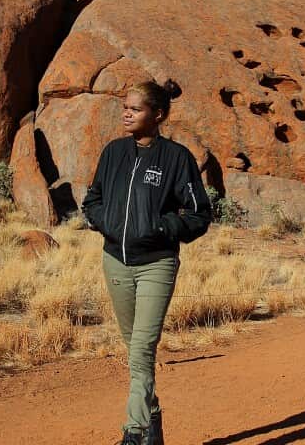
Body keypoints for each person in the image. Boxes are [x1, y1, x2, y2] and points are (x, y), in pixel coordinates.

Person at [82, 80, 213, 445]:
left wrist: (161, 227)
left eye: (135, 109)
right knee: (134, 349)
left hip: (157, 263)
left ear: (157, 114)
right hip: (115, 262)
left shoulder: (176, 158)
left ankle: (135, 432)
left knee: (141, 348)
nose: (127, 114)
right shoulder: (113, 152)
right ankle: (152, 419)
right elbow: (93, 199)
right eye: (125, 107)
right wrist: (105, 222)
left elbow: (200, 213)